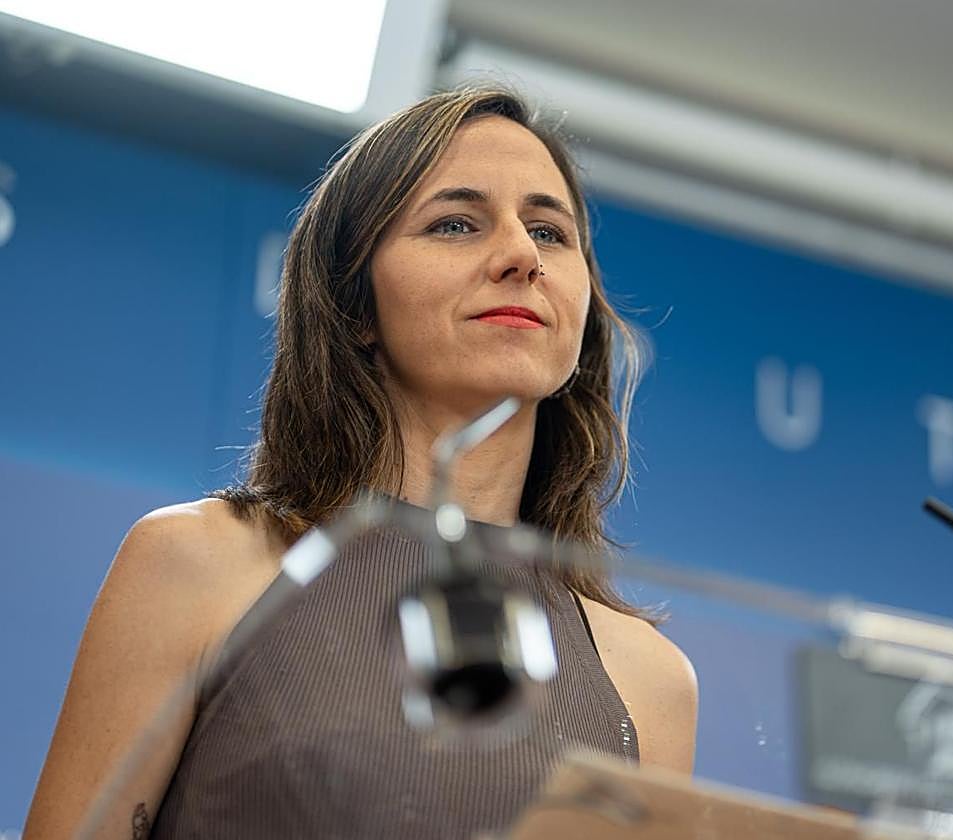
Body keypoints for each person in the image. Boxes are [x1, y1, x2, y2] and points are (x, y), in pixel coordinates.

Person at [24, 84, 699, 839]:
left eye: (549, 232)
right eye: (455, 223)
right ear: (354, 305)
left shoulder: (652, 678)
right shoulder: (196, 563)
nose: (519, 257)